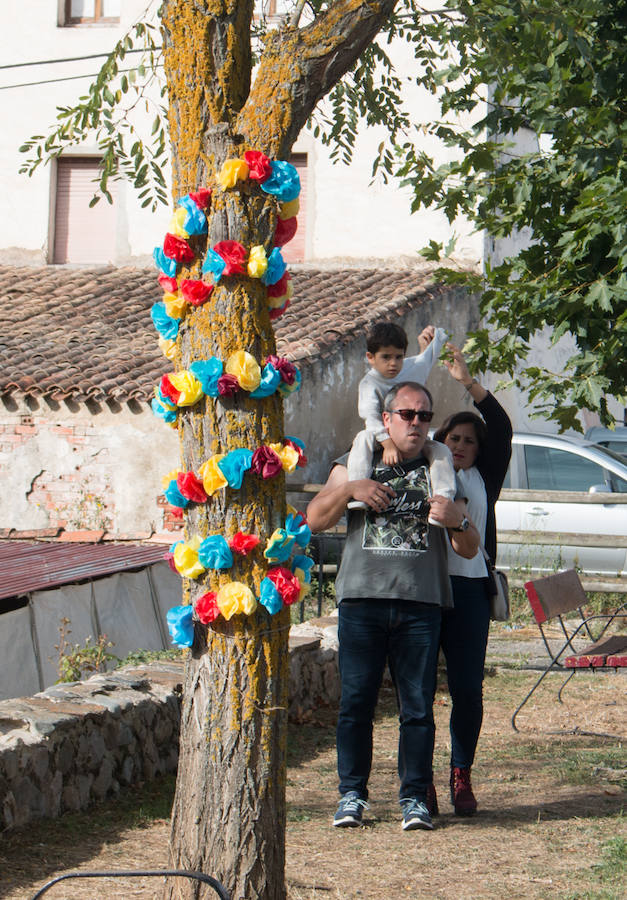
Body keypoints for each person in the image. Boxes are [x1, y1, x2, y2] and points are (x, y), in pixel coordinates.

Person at [307, 381, 479, 832]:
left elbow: (468, 548)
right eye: (407, 414)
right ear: (386, 419)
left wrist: (458, 522)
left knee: (417, 708)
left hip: (421, 604)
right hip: (362, 600)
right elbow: (315, 519)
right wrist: (351, 489)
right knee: (356, 704)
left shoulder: (442, 468)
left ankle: (415, 798)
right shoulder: (356, 460)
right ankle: (351, 795)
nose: (416, 423)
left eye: (425, 416)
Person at [432, 344, 512, 816]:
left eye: (468, 441)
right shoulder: (427, 471)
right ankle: (419, 782)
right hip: (425, 593)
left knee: (467, 690)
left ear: (480, 451)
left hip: (470, 592)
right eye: (453, 438)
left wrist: (467, 381)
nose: (460, 446)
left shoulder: (485, 479)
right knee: (419, 692)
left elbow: (500, 426)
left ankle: (461, 774)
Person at [346, 321, 456, 519]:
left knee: (440, 450)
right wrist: (387, 444)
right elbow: (371, 418)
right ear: (370, 357)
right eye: (386, 357)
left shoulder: (412, 367)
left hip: (411, 437)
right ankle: (358, 489)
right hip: (379, 438)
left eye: (398, 357)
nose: (393, 363)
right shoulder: (369, 384)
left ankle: (443, 500)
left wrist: (436, 334)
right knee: (362, 438)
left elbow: (429, 355)